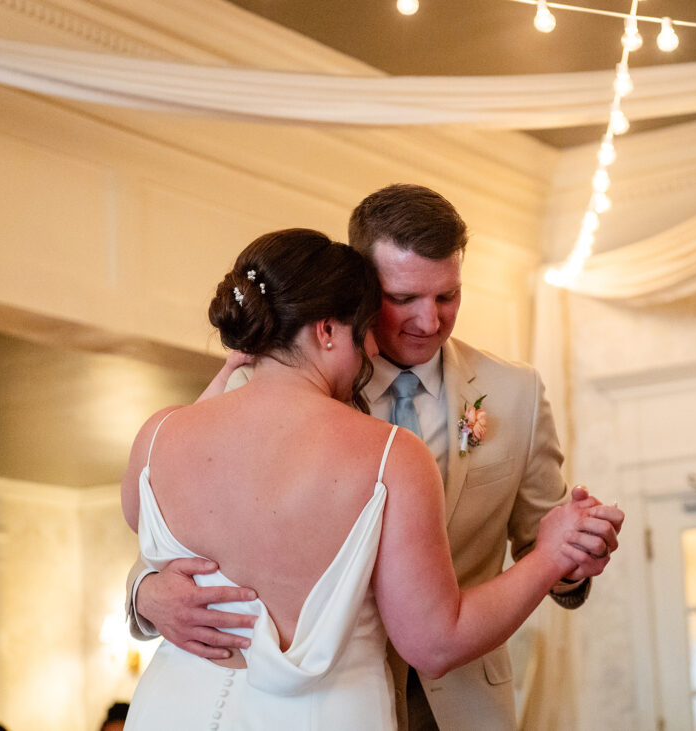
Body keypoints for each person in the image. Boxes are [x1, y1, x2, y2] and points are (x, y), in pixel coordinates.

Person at [128, 186, 625, 729]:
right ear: (359, 286)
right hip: (331, 694)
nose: (429, 321)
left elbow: (542, 537)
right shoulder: (258, 386)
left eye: (447, 296)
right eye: (404, 298)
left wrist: (573, 554)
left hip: (460, 705)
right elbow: (189, 537)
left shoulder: (514, 392)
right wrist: (144, 594)